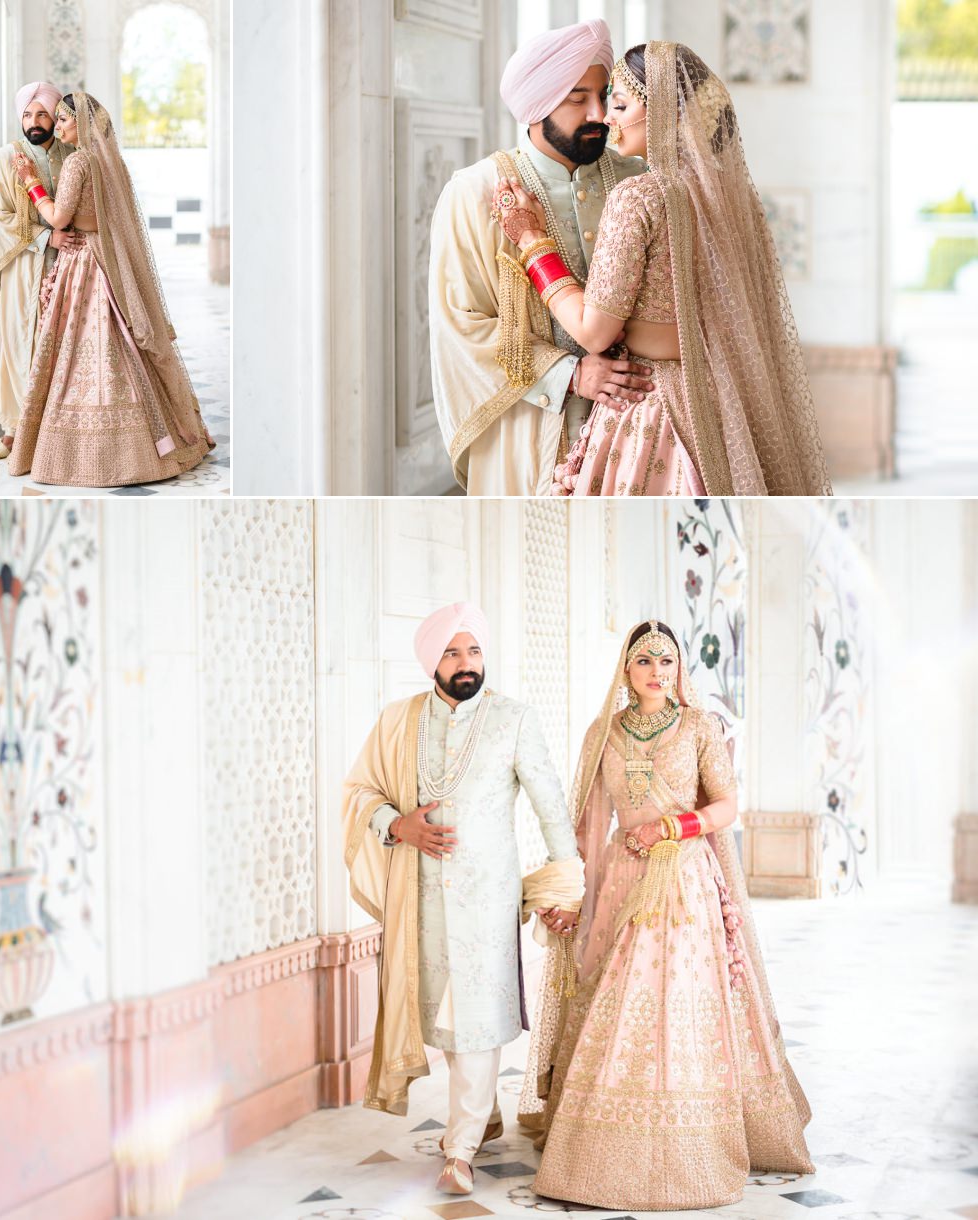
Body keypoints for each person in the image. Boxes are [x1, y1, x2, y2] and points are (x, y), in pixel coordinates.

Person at [520, 620, 814, 1211]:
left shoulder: (700, 727)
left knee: (675, 999)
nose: (658, 670)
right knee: (610, 994)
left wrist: (676, 827)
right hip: (619, 880)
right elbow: (586, 825)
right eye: (645, 659)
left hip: (683, 881)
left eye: (668, 660)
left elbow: (727, 804)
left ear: (680, 669)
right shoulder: (602, 733)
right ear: (625, 670)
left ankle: (694, 1135)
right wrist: (565, 892)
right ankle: (603, 1139)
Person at [493, 42, 833, 497]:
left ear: (661, 112)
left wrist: (533, 242)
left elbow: (594, 333)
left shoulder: (640, 197)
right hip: (728, 408)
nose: (607, 118)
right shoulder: (737, 200)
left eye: (620, 104)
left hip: (656, 412)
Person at [342, 603, 583, 1196]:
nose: (467, 663)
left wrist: (566, 885)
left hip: (486, 901)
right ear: (432, 661)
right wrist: (399, 826)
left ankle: (461, 1149)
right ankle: (484, 1113)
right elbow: (357, 792)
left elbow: (551, 805)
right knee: (441, 1022)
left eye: (474, 650)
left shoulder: (512, 719)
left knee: (473, 1021)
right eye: (452, 652)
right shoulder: (399, 721)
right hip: (418, 898)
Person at [429, 19, 655, 496]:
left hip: (637, 429)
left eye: (605, 95)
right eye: (577, 98)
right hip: (529, 437)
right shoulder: (474, 193)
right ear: (536, 104)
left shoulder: (638, 178)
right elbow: (461, 325)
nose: (598, 113)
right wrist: (572, 374)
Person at [6, 92, 213, 487]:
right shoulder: (112, 161)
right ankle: (165, 440)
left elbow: (60, 218)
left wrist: (32, 184)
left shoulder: (78, 162)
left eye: (65, 120)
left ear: (81, 124)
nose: (61, 125)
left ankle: (88, 455)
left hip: (84, 263)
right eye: (60, 120)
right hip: (111, 263)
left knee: (78, 349)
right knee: (125, 348)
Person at [0, 82, 75, 460]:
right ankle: (15, 431)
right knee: (24, 341)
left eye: (41, 114)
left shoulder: (73, 154)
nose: (33, 122)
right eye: (26, 114)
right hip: (26, 267)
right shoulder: (6, 158)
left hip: (71, 266)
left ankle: (60, 433)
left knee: (67, 346)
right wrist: (44, 239)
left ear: (56, 117)